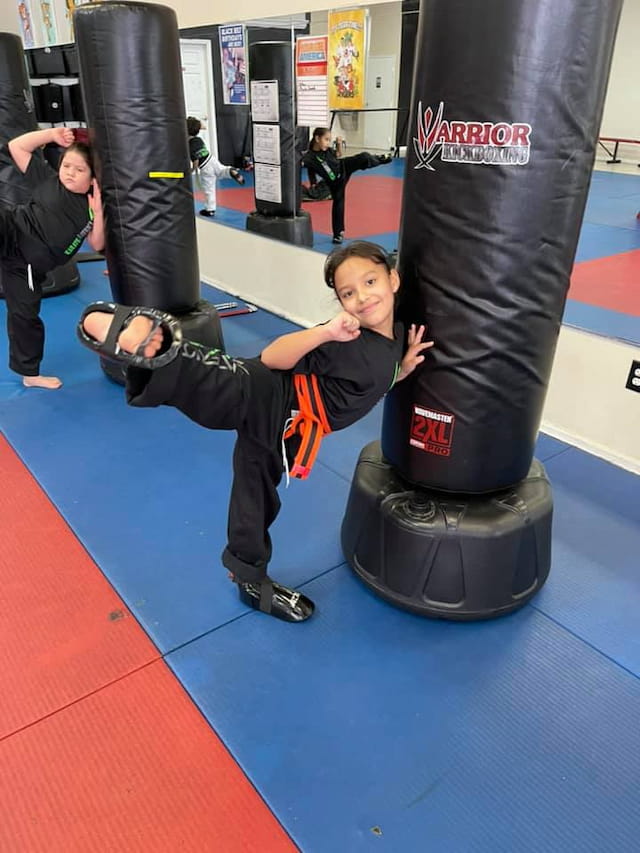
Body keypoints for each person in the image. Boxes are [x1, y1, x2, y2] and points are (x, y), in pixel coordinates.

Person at [76, 240, 433, 623]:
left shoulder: (395, 335)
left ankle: (249, 579)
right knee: (222, 380)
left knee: (257, 498)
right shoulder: (346, 337)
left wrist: (403, 370)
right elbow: (273, 357)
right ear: (340, 303)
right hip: (269, 395)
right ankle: (155, 348)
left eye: (370, 281)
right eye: (348, 293)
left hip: (284, 435)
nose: (362, 297)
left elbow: (372, 378)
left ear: (393, 279)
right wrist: (324, 333)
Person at [2, 127, 104, 389]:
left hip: (26, 268)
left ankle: (30, 375)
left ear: (93, 177)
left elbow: (98, 243)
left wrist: (99, 211)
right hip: (12, 233)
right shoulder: (48, 180)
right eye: (66, 165)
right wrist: (52, 135)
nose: (69, 172)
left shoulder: (89, 209)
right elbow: (17, 146)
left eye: (79, 169)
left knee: (25, 316)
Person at [302, 127, 393, 244]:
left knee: (363, 157)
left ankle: (379, 159)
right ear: (317, 138)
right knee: (338, 204)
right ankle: (338, 234)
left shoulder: (328, 151)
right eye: (326, 139)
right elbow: (310, 169)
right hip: (335, 182)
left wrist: (339, 144)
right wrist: (313, 183)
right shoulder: (309, 157)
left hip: (343, 167)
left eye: (329, 140)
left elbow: (338, 154)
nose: (328, 143)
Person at [187, 116, 244, 217]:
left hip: (205, 166)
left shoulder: (190, 145)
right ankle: (230, 171)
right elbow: (201, 126)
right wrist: (197, 124)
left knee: (208, 188)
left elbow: (195, 160)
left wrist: (192, 169)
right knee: (221, 171)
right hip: (211, 159)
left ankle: (210, 209)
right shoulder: (198, 139)